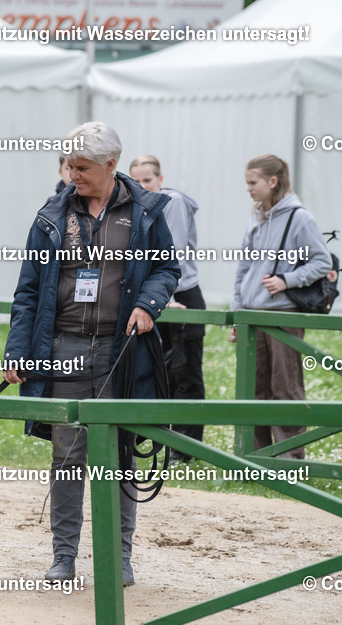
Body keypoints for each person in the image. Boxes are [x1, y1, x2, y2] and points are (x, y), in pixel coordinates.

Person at [3, 122, 180, 586]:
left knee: (120, 457)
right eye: (68, 166)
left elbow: (167, 269)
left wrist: (148, 303)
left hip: (122, 352)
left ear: (111, 164)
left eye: (81, 167)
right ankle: (63, 557)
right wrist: (18, 350)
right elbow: (26, 292)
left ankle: (118, 559)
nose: (72, 174)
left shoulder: (146, 210)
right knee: (67, 457)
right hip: (62, 348)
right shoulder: (51, 215)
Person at [229, 154, 332, 459]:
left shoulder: (300, 218)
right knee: (253, 389)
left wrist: (287, 280)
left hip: (283, 314)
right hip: (252, 314)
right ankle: (256, 457)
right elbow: (244, 267)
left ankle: (290, 459)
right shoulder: (257, 216)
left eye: (253, 183)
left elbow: (322, 261)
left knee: (284, 387)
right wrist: (238, 312)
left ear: (272, 182)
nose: (248, 189)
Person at [128, 155, 206, 463]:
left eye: (148, 180)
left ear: (160, 178)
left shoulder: (170, 202)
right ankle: (161, 440)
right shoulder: (139, 206)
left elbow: (173, 256)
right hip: (159, 296)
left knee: (185, 373)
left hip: (181, 294)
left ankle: (186, 448)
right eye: (137, 181)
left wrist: (168, 296)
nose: (143, 186)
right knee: (159, 371)